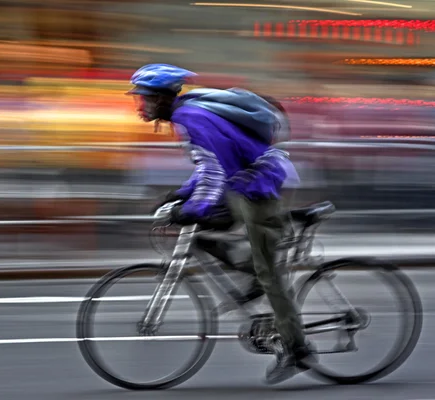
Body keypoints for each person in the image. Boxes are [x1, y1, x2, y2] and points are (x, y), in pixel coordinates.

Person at [127, 63, 315, 384]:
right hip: (240, 184)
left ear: (160, 98)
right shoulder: (186, 114)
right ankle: (252, 272)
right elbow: (209, 167)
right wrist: (180, 195)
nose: (139, 105)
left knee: (270, 274)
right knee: (201, 232)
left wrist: (192, 207)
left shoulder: (192, 119)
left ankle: (299, 350)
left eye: (143, 98)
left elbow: (215, 173)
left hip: (259, 186)